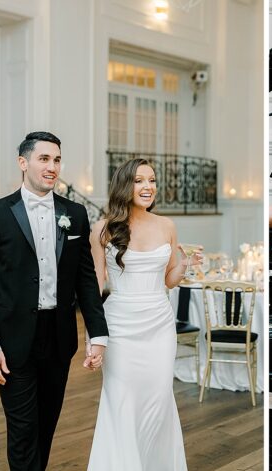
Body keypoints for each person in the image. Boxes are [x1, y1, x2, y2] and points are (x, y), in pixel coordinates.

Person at [0, 131, 109, 470]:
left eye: (57, 159)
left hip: (58, 337)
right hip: (12, 339)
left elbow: (86, 280)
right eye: (44, 159)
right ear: (23, 162)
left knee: (45, 425)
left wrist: (98, 335)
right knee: (22, 428)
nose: (52, 167)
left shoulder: (75, 214)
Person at [87, 158, 202, 470]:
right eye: (139, 180)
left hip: (159, 325)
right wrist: (93, 338)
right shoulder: (102, 230)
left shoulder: (167, 226)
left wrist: (186, 264)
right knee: (121, 402)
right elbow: (95, 288)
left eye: (152, 180)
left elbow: (169, 279)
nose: (148, 187)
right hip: (119, 326)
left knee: (158, 401)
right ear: (125, 185)